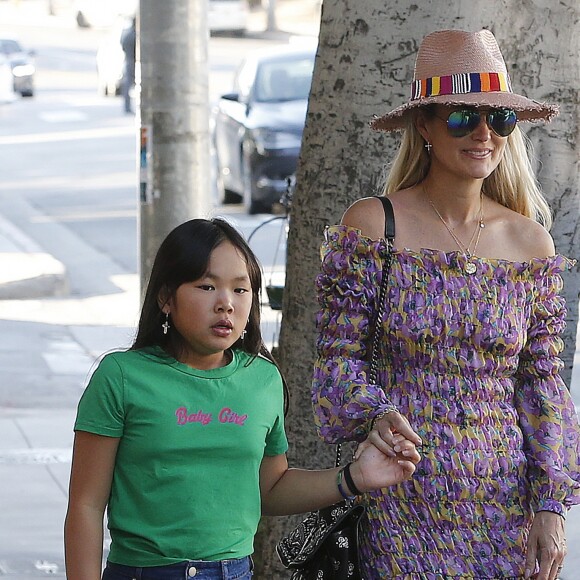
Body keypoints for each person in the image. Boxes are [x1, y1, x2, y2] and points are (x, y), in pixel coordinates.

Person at [312, 28, 580, 580]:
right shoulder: (372, 226)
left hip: (504, 508)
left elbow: (544, 387)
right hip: (399, 498)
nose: (484, 132)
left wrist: (550, 505)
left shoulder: (531, 244)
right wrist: (376, 413)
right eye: (462, 116)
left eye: (499, 119)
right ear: (425, 126)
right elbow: (335, 366)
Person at [64, 217, 420, 580]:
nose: (226, 304)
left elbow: (271, 488)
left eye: (240, 289)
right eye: (206, 286)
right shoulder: (121, 376)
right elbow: (86, 505)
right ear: (165, 298)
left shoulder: (263, 378)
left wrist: (355, 476)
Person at [120, 17, 136, 114]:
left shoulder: (129, 34)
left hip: (129, 60)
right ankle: (127, 107)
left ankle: (127, 106)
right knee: (128, 84)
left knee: (128, 85)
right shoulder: (133, 35)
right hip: (132, 61)